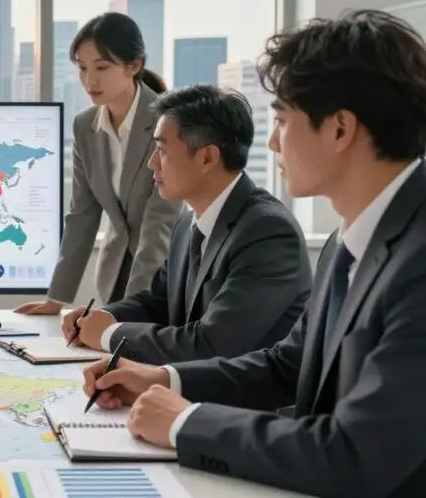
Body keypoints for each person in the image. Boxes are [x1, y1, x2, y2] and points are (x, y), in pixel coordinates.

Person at [82, 9, 426, 497]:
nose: (270, 141)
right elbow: (288, 366)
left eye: (283, 120)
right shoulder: (346, 242)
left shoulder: (417, 260)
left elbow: (357, 454)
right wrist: (161, 378)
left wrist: (187, 424)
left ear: (340, 129)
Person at [64, 85, 310, 363]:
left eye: (161, 150)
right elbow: (159, 302)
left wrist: (108, 334)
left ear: (207, 157)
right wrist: (106, 316)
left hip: (245, 403)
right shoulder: (187, 225)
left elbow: (212, 344)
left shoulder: (268, 232)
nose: (152, 163)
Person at [15, 12, 184, 315]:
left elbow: (160, 221)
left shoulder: (167, 121)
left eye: (102, 68)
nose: (89, 80)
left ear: (134, 65)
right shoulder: (85, 126)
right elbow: (82, 214)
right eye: (82, 68)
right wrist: (56, 300)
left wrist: (130, 311)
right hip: (114, 273)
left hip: (164, 274)